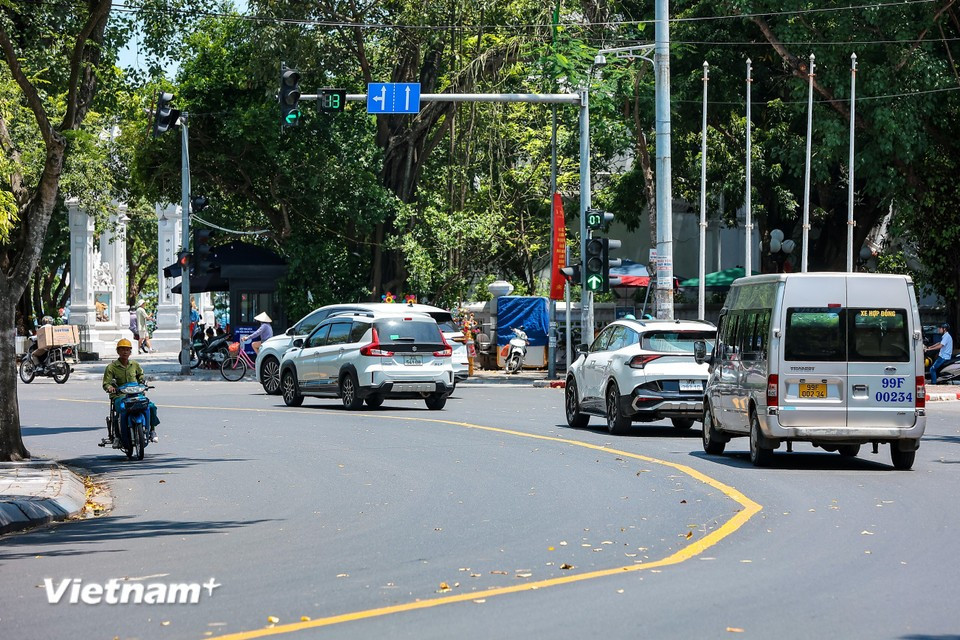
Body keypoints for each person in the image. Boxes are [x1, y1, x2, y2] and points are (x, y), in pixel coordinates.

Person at [102, 338, 159, 445]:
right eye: (122, 349)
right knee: (121, 409)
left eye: (127, 350)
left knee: (150, 406)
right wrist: (110, 387)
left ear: (130, 352)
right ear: (118, 351)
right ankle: (118, 436)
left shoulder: (135, 365)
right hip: (120, 396)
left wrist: (143, 382)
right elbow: (106, 383)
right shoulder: (111, 367)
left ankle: (152, 430)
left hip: (136, 394)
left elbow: (140, 376)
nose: (125, 352)